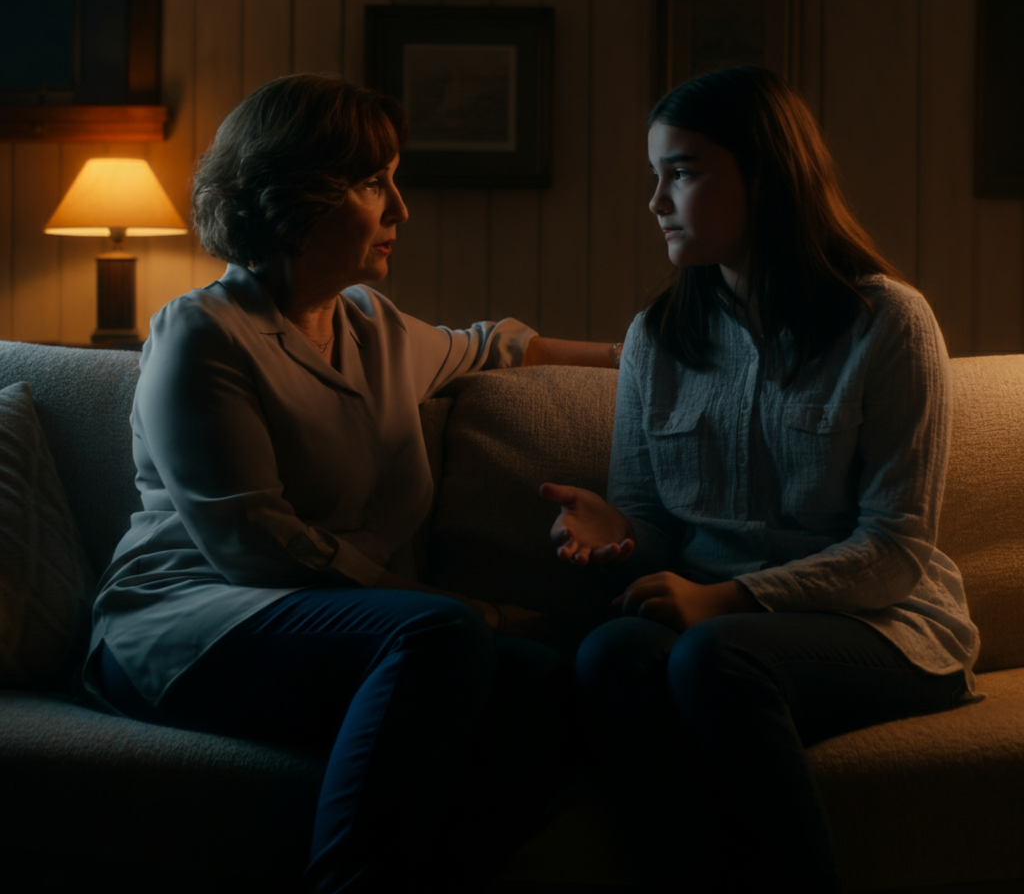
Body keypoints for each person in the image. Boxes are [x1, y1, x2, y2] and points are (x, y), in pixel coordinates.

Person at [84, 74, 616, 893]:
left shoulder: (374, 325)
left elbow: (505, 346)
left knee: (546, 682)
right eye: (375, 183)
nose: (401, 209)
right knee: (441, 637)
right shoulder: (204, 333)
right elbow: (252, 541)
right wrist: (474, 609)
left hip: (347, 624)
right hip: (188, 622)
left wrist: (652, 358)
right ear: (291, 194)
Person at [539, 66, 979, 891]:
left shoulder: (886, 322)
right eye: (654, 176)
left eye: (684, 172)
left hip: (881, 626)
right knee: (609, 657)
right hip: (714, 627)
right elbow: (649, 521)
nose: (656, 202)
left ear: (767, 179)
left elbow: (894, 551)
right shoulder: (657, 337)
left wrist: (730, 601)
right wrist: (616, 531)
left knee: (713, 660)